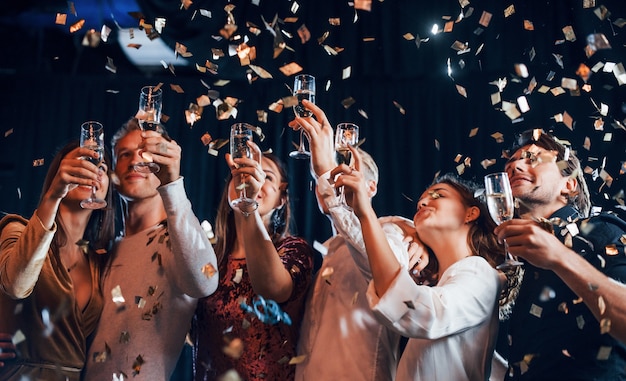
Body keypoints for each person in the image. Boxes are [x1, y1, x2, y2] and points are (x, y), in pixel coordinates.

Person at [340, 146, 509, 381]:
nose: (422, 203)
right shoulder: (439, 283)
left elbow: (423, 313)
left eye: (438, 194)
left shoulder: (481, 273)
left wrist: (365, 213)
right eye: (419, 201)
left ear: (470, 214)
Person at [289, 100, 424, 381]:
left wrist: (325, 168)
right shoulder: (331, 249)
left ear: (370, 187)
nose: (330, 184)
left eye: (340, 174)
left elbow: (391, 271)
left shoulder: (394, 231)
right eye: (325, 180)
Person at [83, 119, 219, 380]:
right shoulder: (107, 249)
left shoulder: (176, 241)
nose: (135, 161)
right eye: (124, 155)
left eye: (145, 153)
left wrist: (173, 184)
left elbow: (206, 280)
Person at [494, 129, 626, 380]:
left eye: (533, 159)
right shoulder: (509, 259)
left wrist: (560, 257)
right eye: (510, 163)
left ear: (570, 184)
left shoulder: (602, 230)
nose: (515, 166)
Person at [192, 142, 314, 381]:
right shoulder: (209, 256)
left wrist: (247, 205)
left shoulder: (294, 250)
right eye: (243, 173)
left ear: (282, 198)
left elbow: (272, 288)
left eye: (265, 176)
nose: (252, 180)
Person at [0, 140, 115, 380]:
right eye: (81, 163)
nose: (92, 170)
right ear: (58, 175)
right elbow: (16, 285)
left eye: (101, 168)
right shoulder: (17, 230)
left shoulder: (101, 265)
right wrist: (53, 195)